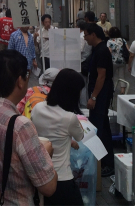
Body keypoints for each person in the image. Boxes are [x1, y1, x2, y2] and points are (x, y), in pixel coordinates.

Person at [0, 50, 58, 204]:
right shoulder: (20, 126)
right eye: (26, 76)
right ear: (20, 81)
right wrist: (46, 153)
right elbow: (48, 187)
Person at [31, 69, 85, 206]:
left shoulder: (37, 108)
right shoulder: (69, 118)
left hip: (39, 176)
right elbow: (80, 135)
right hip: (61, 178)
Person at [83, 23, 115, 177]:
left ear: (93, 35)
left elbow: (101, 76)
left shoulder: (102, 50)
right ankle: (107, 162)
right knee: (104, 127)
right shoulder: (98, 49)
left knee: (97, 128)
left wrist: (93, 97)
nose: (85, 38)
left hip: (101, 95)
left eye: (86, 35)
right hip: (100, 94)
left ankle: (104, 163)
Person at [107, 27, 129, 94]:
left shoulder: (109, 41)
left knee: (111, 76)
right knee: (122, 76)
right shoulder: (123, 40)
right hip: (122, 61)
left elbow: (109, 51)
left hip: (113, 61)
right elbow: (128, 49)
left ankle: (111, 89)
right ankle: (122, 90)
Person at [78, 20, 92, 108]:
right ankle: (85, 101)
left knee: (82, 84)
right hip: (87, 61)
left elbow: (80, 50)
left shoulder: (81, 36)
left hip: (81, 62)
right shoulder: (87, 35)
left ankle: (83, 104)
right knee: (86, 84)